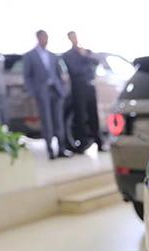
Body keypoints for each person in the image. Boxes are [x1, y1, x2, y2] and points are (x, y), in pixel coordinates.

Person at [23, 30, 70, 159]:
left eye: (47, 37)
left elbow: (60, 74)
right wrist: (33, 92)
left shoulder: (53, 56)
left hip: (55, 91)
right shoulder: (30, 56)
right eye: (43, 37)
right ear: (38, 38)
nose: (46, 40)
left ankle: (61, 148)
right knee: (47, 122)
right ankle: (50, 150)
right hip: (42, 92)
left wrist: (62, 90)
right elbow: (27, 77)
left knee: (58, 121)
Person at [62, 31, 104, 151]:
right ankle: (83, 143)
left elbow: (97, 61)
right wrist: (83, 57)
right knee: (80, 116)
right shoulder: (67, 55)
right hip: (78, 89)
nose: (74, 39)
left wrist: (84, 55)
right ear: (69, 39)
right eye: (72, 37)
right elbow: (75, 70)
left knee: (93, 115)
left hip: (90, 87)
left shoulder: (86, 51)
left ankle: (99, 141)